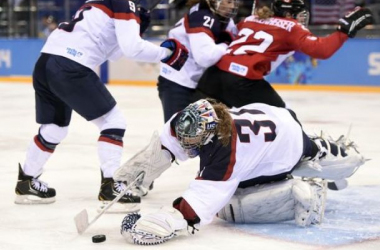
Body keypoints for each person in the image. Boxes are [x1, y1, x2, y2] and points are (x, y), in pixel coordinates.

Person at [114, 98, 366, 245]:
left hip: (284, 150)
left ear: (211, 134)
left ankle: (295, 194)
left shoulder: (225, 152)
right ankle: (321, 150)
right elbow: (166, 144)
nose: (185, 143)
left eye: (193, 140)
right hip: (277, 117)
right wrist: (131, 177)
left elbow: (197, 207)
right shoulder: (191, 118)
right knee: (308, 147)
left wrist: (158, 223)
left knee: (232, 207)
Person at [14, 0, 189, 211]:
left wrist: (136, 28)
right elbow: (132, 49)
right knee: (113, 121)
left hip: (46, 61)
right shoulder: (126, 3)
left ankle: (26, 181)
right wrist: (167, 54)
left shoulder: (97, 2)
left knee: (54, 129)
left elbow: (114, 54)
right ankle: (110, 187)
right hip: (70, 64)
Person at [196, 0, 373, 108]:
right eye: (299, 15)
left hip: (213, 76)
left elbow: (226, 38)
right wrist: (343, 31)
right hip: (242, 81)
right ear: (288, 13)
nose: (302, 20)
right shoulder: (291, 26)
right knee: (286, 122)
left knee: (202, 129)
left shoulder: (250, 19)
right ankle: (297, 159)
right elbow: (322, 50)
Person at [157, 0, 239, 122]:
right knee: (178, 135)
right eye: (228, 2)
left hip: (198, 84)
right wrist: (225, 45)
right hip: (176, 83)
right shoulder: (201, 16)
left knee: (201, 135)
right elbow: (205, 57)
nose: (232, 6)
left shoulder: (225, 20)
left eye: (233, 2)